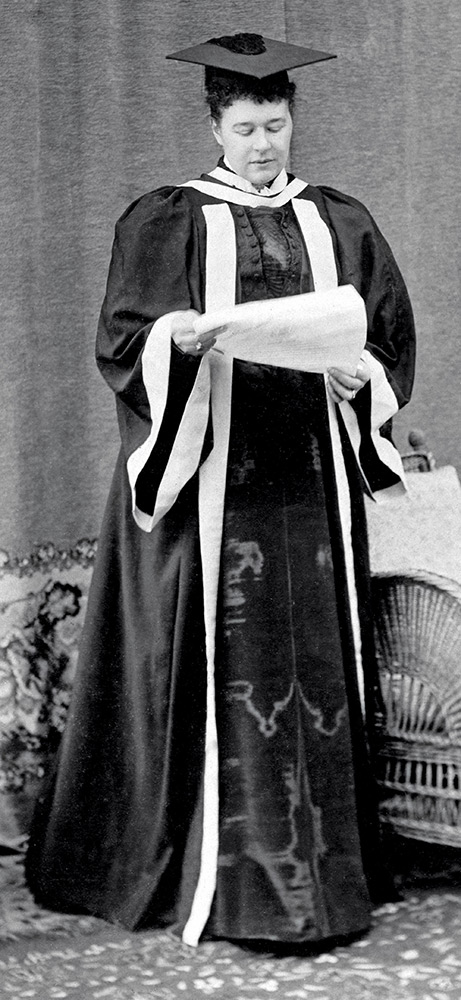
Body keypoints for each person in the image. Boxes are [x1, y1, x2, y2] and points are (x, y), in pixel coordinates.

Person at [26, 32, 415, 948]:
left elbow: (385, 337)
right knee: (210, 658)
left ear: (292, 119)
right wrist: (181, 341)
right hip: (209, 481)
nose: (262, 145)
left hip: (309, 486)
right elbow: (125, 341)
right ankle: (213, 873)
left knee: (311, 660)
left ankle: (324, 871)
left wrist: (360, 376)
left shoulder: (339, 220)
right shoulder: (167, 219)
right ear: (215, 127)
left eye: (274, 125)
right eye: (244, 129)